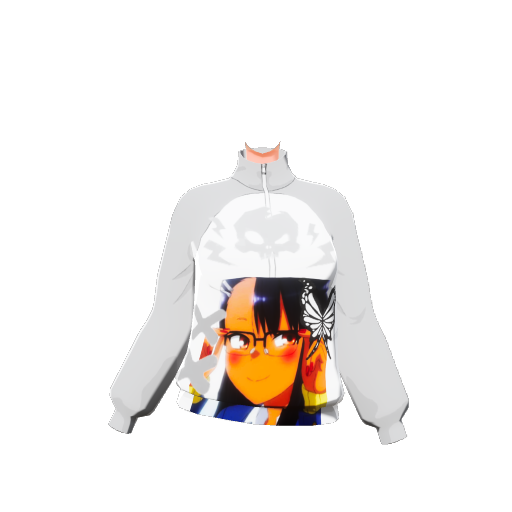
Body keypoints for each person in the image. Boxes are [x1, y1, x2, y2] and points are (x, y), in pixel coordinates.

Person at [188, 276, 335, 426]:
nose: (256, 355)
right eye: (240, 339)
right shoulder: (230, 413)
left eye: (283, 338)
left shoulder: (307, 419)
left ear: (307, 341)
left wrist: (314, 395)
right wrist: (198, 380)